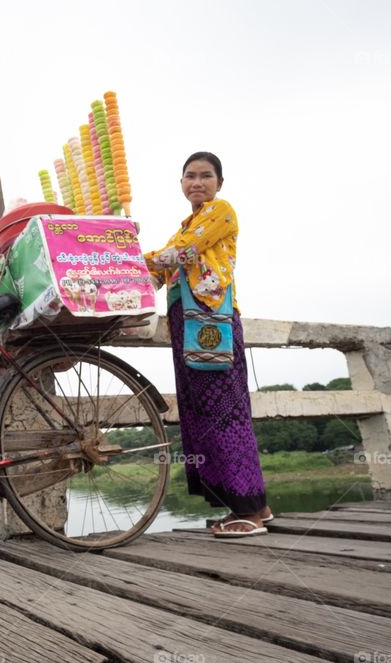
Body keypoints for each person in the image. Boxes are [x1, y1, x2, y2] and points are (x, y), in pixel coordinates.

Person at [144, 152, 272, 537]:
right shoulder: (187, 223)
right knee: (203, 411)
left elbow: (181, 253)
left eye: (205, 176)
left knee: (225, 412)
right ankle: (254, 506)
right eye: (189, 176)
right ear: (181, 183)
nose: (196, 182)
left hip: (210, 320)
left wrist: (131, 258)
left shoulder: (221, 212)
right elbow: (160, 268)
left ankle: (247, 514)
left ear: (219, 182)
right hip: (188, 323)